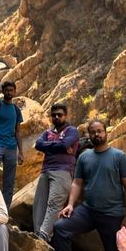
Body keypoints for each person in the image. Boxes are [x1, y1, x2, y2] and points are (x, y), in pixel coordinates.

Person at [52, 119, 126, 251]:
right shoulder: (84, 157)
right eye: (93, 132)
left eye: (100, 131)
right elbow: (77, 182)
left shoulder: (119, 157)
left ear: (106, 133)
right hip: (88, 211)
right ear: (89, 135)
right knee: (60, 228)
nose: (97, 134)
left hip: (113, 215)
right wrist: (70, 204)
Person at [33, 103, 79, 242]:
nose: (57, 117)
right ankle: (36, 236)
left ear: (66, 116)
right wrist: (58, 146)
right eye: (54, 115)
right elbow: (38, 144)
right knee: (39, 204)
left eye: (60, 114)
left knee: (54, 204)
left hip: (63, 171)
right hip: (45, 170)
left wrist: (51, 147)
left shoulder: (72, 131)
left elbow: (64, 144)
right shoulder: (47, 133)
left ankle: (44, 236)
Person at [0, 81, 23, 209]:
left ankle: (4, 209)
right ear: (3, 91)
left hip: (11, 148)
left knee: (9, 181)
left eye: (11, 90)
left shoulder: (16, 110)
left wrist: (21, 152)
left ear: (15, 91)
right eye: (6, 90)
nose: (9, 92)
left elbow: (18, 131)